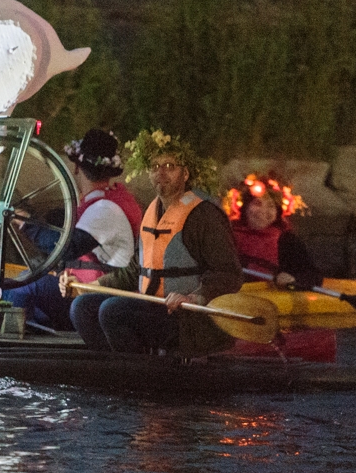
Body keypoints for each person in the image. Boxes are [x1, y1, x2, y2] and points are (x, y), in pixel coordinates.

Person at [63, 130, 242, 355]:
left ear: (185, 173)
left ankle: (138, 372)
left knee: (113, 311)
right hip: (153, 308)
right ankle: (114, 368)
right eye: (155, 167)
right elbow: (135, 271)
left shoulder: (204, 215)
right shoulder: (152, 211)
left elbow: (229, 274)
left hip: (189, 318)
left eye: (170, 167)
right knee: (83, 306)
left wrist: (194, 296)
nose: (161, 173)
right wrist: (83, 287)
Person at [1, 128, 142, 332]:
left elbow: (66, 248)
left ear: (76, 168)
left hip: (97, 296)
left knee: (22, 287)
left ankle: (12, 348)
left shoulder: (105, 209)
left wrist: (25, 224)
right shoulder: (107, 201)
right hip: (83, 288)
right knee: (16, 284)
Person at [222, 173, 321, 291]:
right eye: (257, 204)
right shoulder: (226, 236)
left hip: (268, 302)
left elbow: (313, 276)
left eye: (271, 206)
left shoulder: (287, 240)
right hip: (230, 299)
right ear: (244, 208)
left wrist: (293, 279)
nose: (263, 211)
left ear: (277, 213)